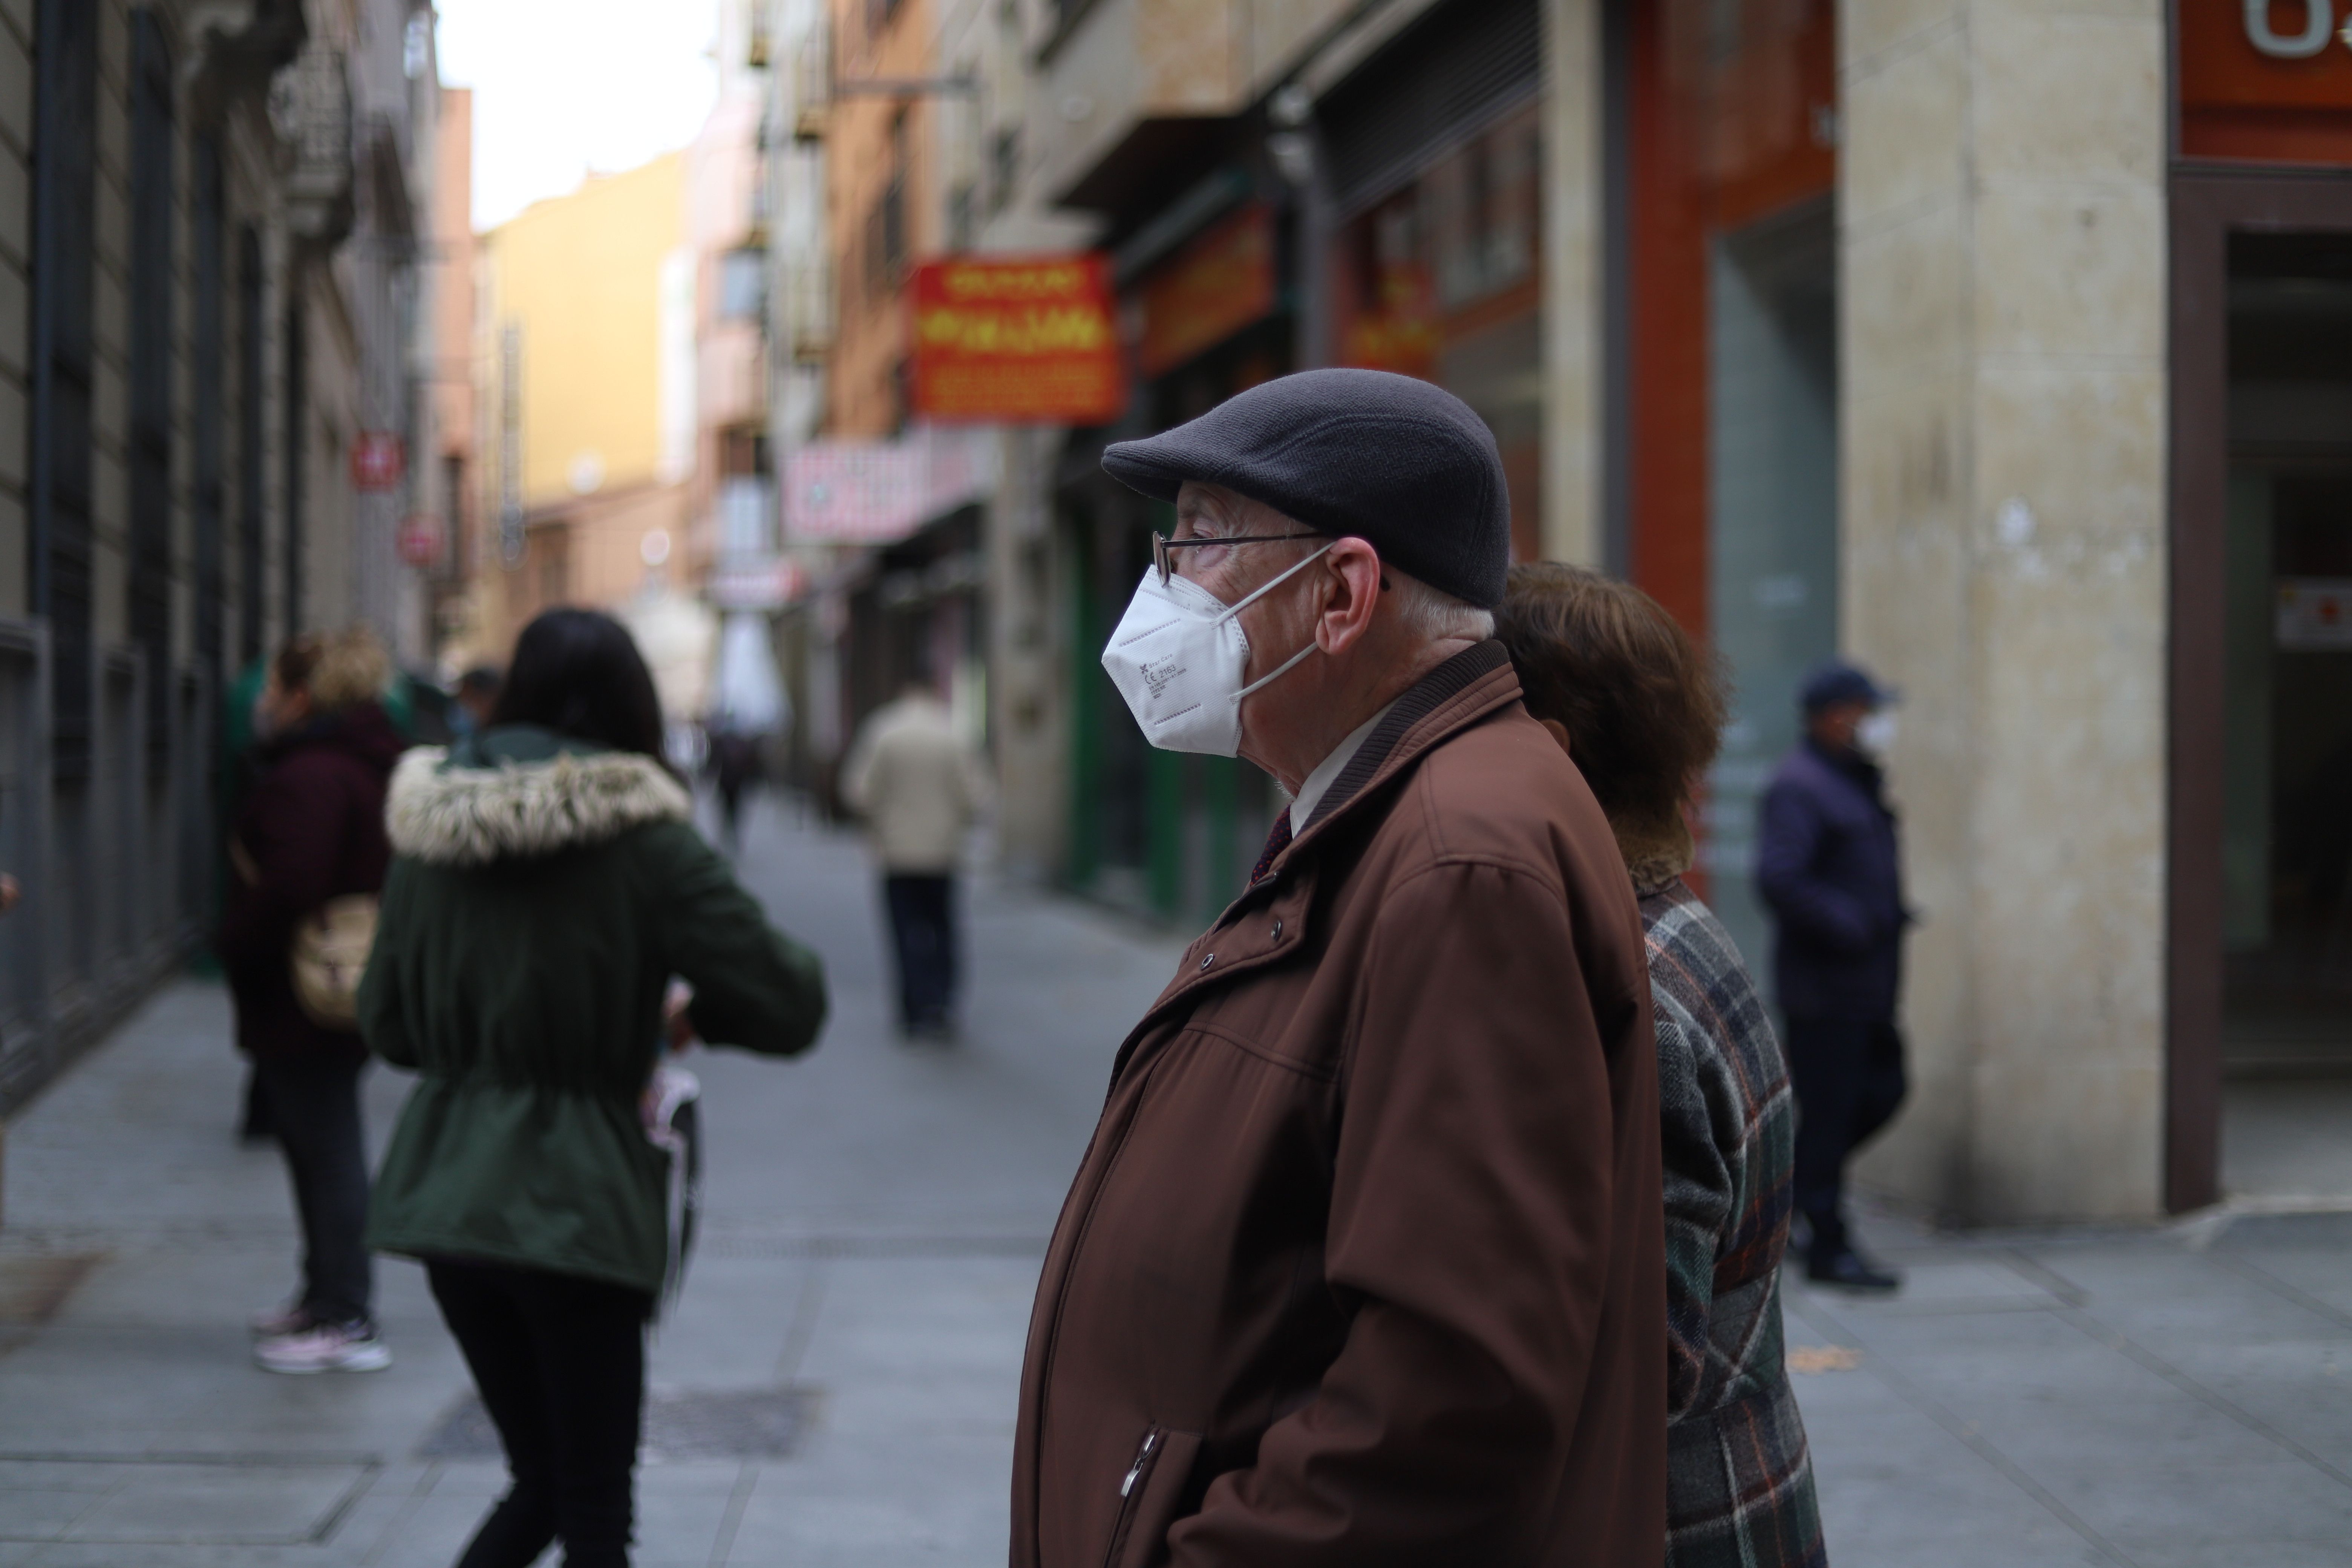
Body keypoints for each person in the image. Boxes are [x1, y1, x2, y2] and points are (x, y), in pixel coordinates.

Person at [1011, 370, 1666, 1566]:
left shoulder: (1460, 859)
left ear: (1342, 593)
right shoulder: (1381, 817)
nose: (1164, 584)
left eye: (1205, 539)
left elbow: (1448, 1398)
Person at [360, 608, 828, 1568]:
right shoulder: (646, 841)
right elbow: (789, 1000)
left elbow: (389, 1025)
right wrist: (689, 1018)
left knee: (541, 1478)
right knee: (593, 1508)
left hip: (448, 1207)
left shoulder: (427, 828)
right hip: (578, 1213)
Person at [1498, 563, 1826, 1568]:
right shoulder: (1664, 921)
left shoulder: (1628, 986)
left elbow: (1639, 1361)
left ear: (1546, 750)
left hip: (1681, 1527)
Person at [218, 628, 405, 1374]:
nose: (263, 703)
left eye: (273, 688)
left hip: (308, 988)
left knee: (325, 1146)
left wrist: (235, 939)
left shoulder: (313, 775)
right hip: (338, 984)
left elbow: (293, 882)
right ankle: (323, 1292)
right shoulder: (363, 764)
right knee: (313, 1140)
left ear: (303, 695)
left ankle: (345, 1313)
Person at [1757, 660, 1909, 1292]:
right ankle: (1828, 1243)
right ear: (1835, 715)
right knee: (1833, 1110)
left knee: (1884, 1092)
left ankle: (1785, 1199)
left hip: (1866, 986)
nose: (1877, 723)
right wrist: (1852, 925)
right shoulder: (1800, 785)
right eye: (1867, 710)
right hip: (1827, 988)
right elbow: (1780, 877)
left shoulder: (1848, 779)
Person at [840, 678, 986, 1040]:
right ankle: (943, 1003)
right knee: (944, 928)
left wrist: (882, 819)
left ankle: (911, 1009)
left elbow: (859, 792)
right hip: (943, 852)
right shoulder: (951, 732)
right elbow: (976, 796)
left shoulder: (883, 730)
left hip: (896, 853)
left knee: (903, 931)